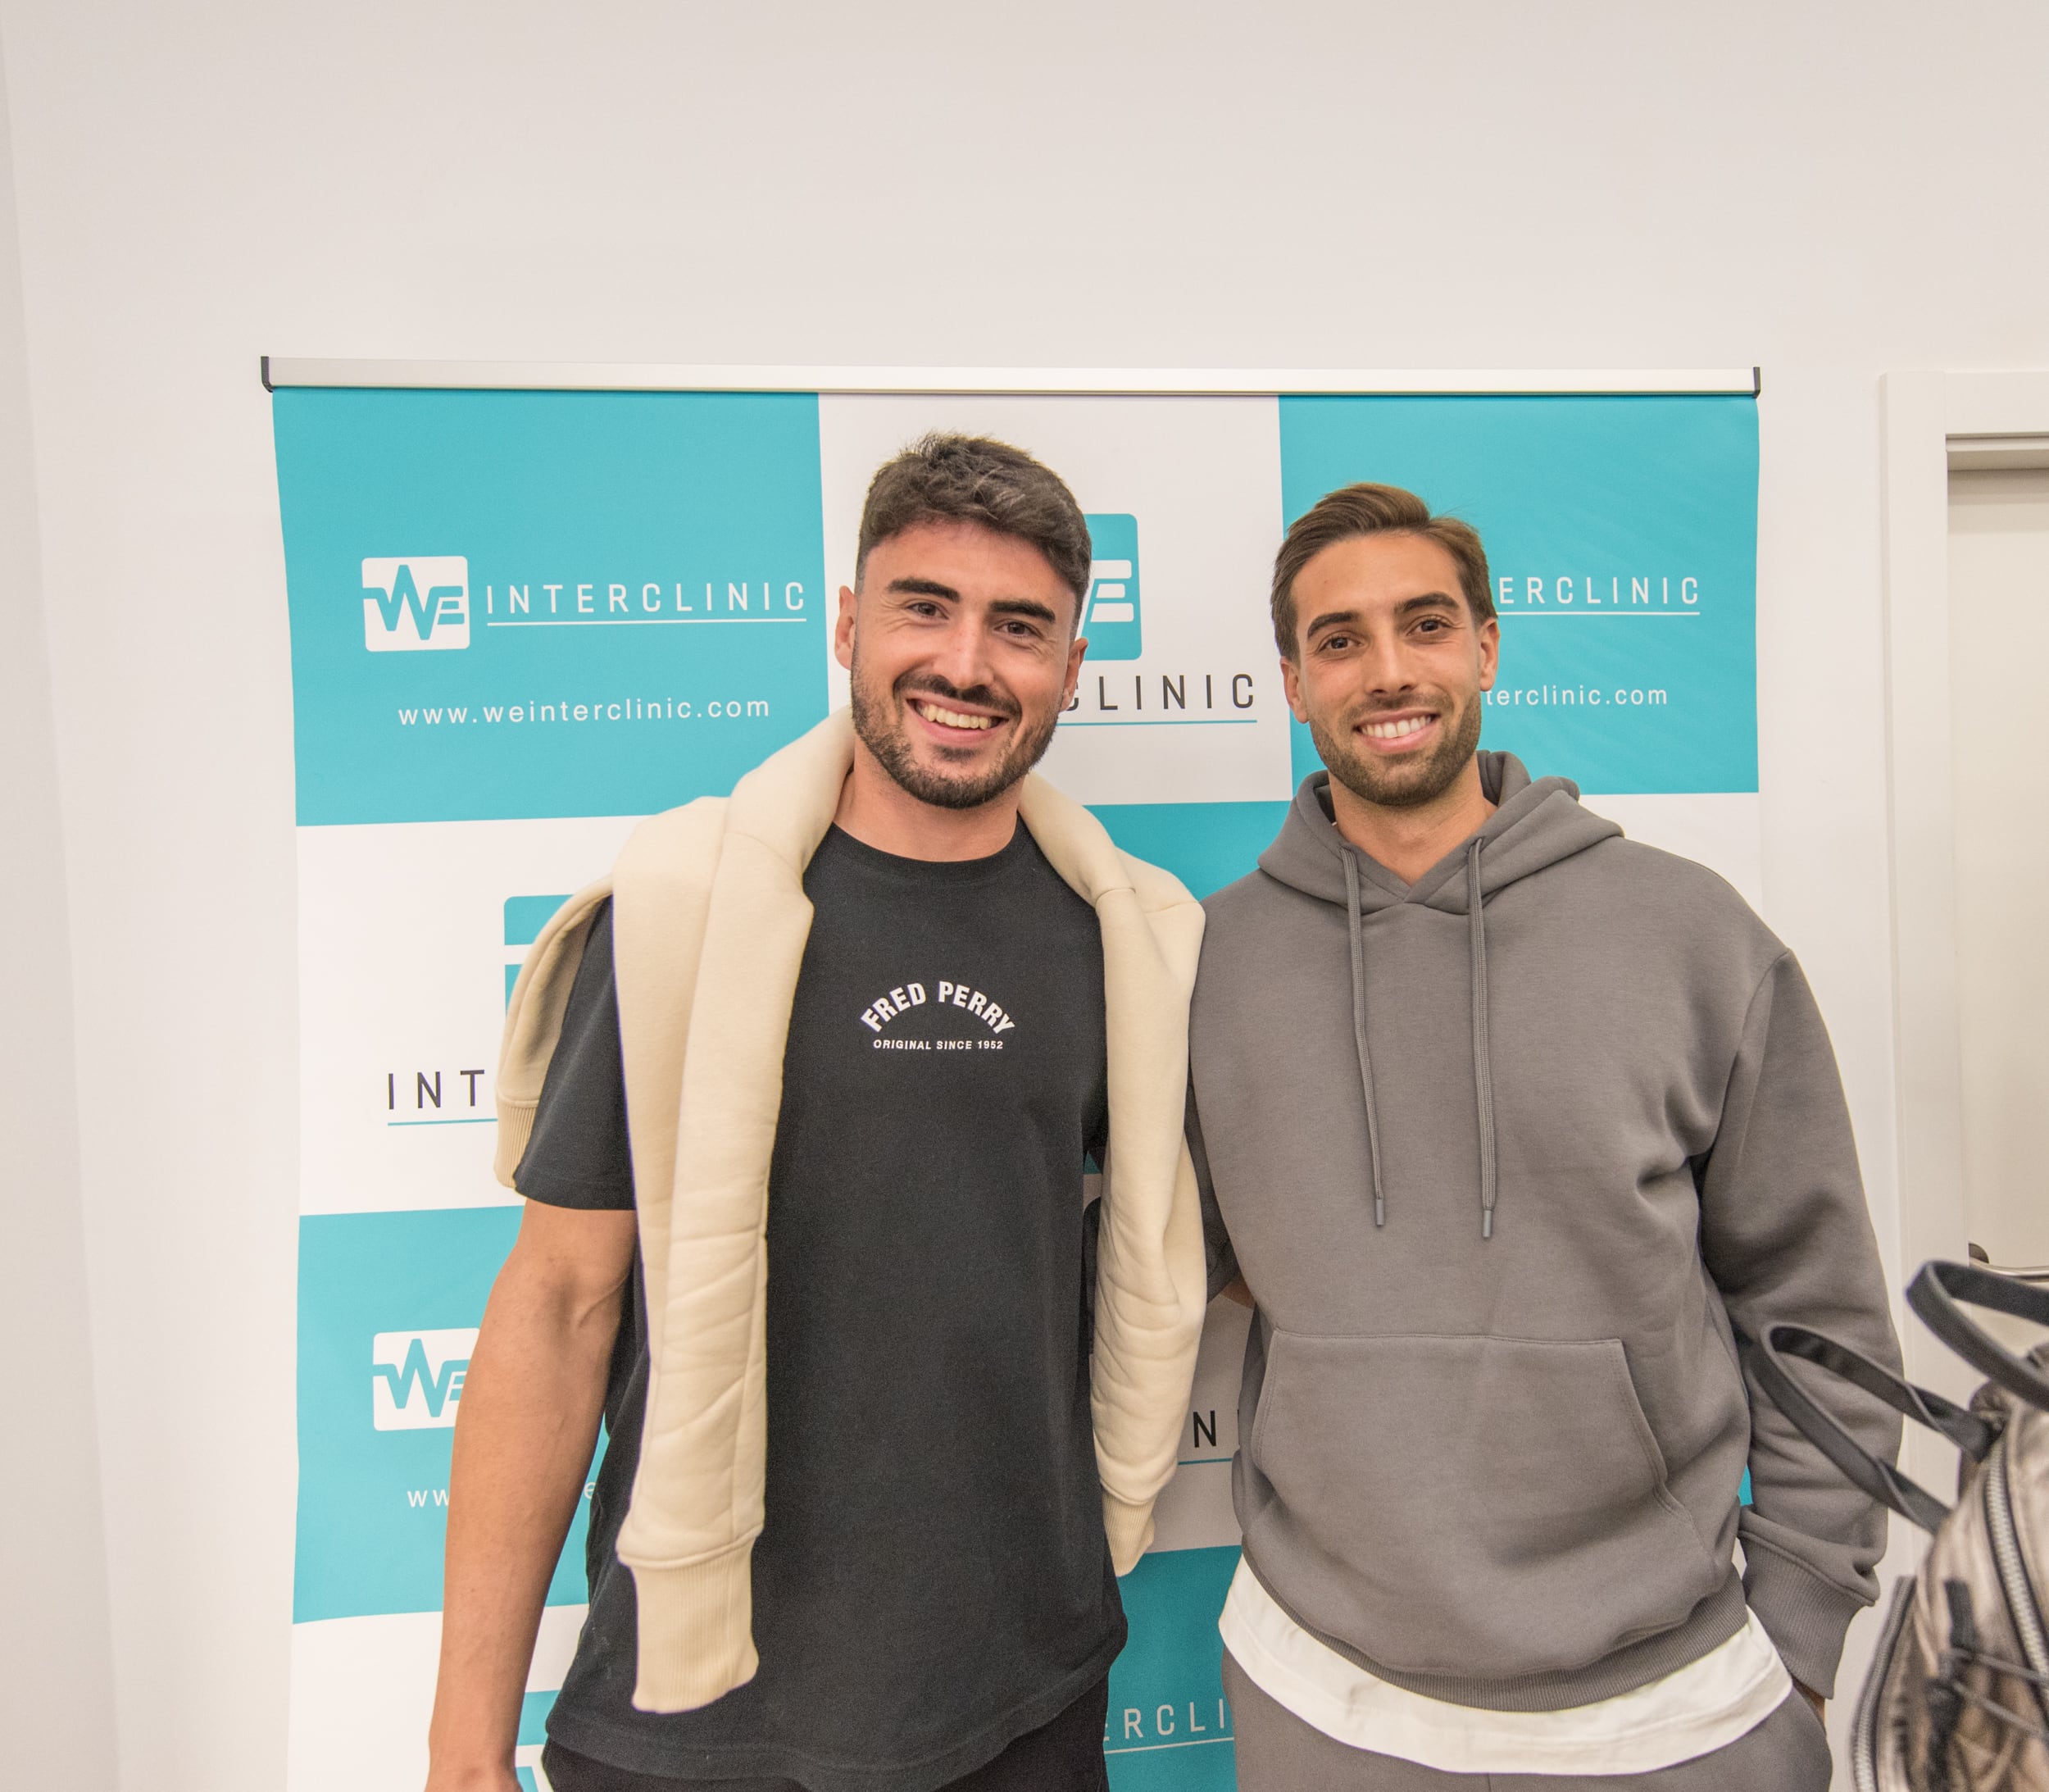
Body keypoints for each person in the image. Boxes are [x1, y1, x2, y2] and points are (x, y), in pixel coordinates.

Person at [423, 434, 1209, 1792]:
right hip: (696, 1718)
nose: (967, 665)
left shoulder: (1128, 944)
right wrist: (460, 1746)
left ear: (1072, 668)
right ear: (848, 623)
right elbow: (555, 1305)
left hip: (1025, 1699)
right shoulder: (678, 917)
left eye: (1020, 628)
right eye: (925, 606)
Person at [1188, 483, 1902, 1790]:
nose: (1389, 669)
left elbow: (1821, 1314)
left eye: (1425, 623)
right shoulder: (1208, 964)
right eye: (1339, 640)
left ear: (1488, 648)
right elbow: (1190, 1259)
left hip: (1675, 1704)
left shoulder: (1690, 936)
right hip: (1323, 1693)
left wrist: (1800, 1632)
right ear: (1291, 681)